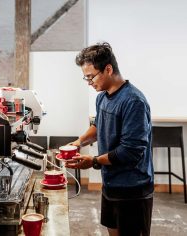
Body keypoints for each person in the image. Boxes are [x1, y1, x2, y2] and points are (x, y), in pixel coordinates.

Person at [65, 42, 154, 236]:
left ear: (108, 69)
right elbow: (98, 126)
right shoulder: (103, 97)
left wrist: (94, 161)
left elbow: (130, 151)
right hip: (111, 184)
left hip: (133, 190)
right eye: (85, 78)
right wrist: (79, 142)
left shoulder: (133, 101)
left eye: (91, 76)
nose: (89, 82)